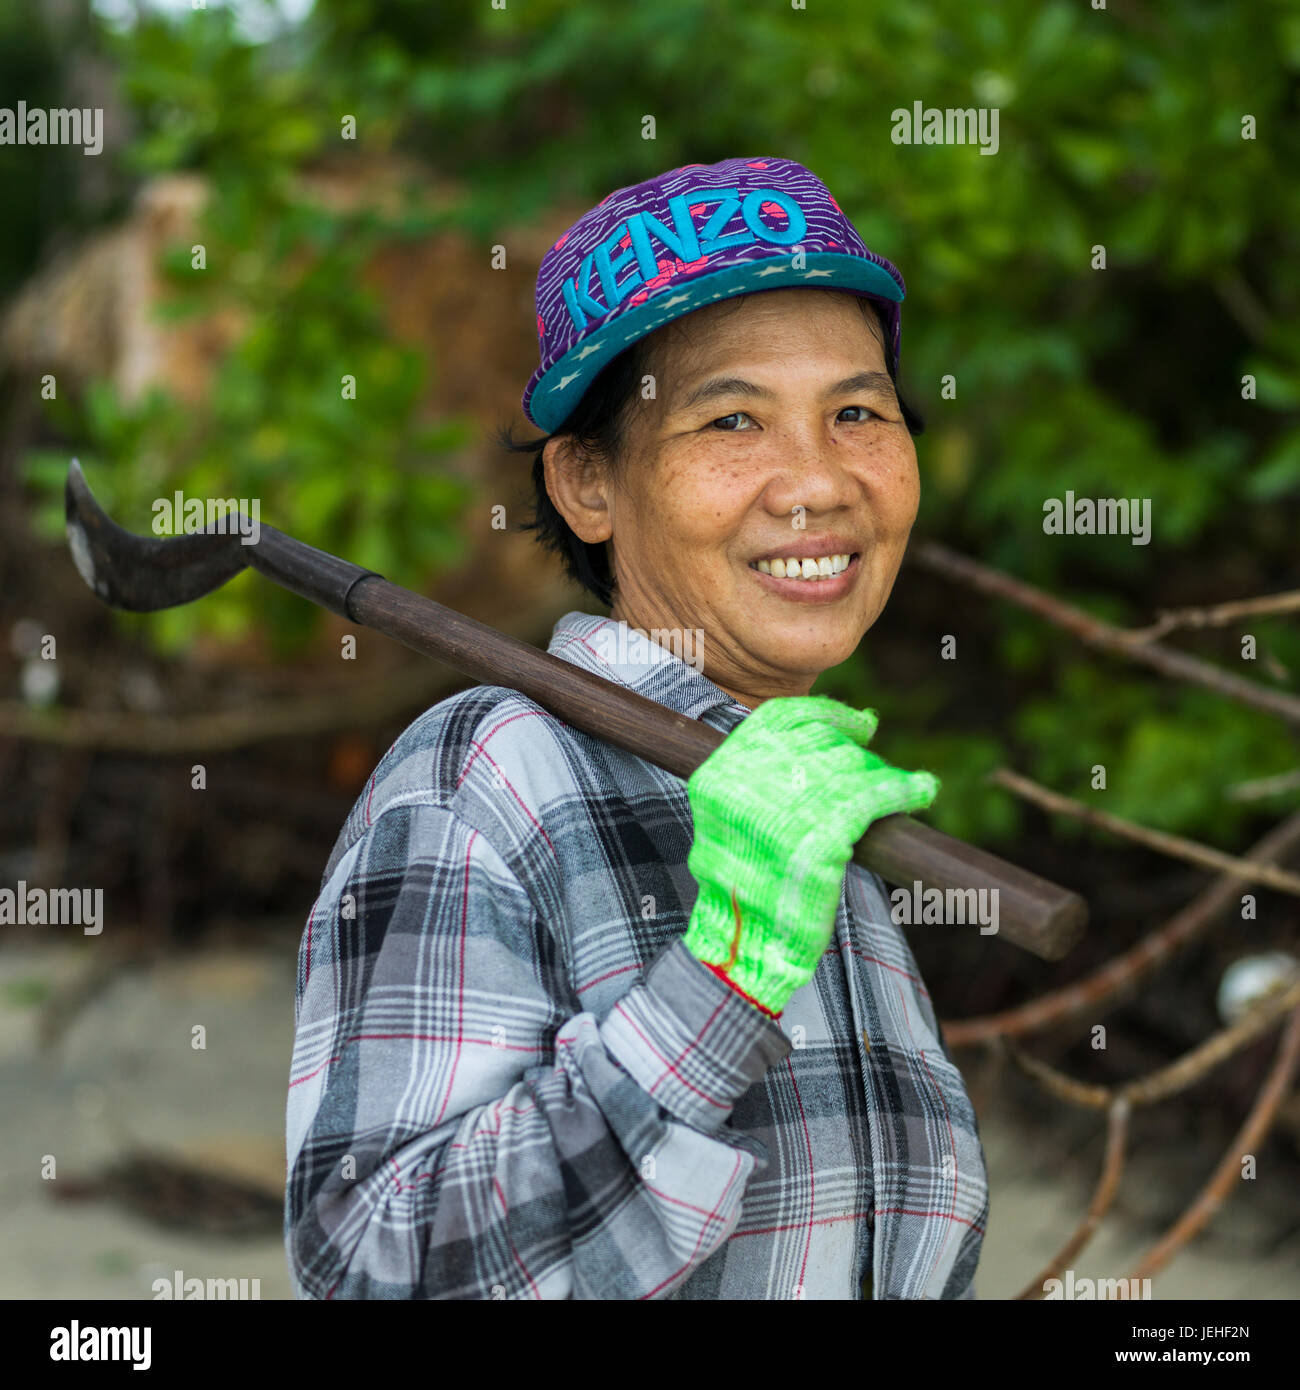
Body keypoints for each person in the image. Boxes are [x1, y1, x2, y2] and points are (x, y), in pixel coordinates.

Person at [285, 155, 989, 1300]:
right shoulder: (487, 776)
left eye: (856, 411)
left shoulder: (810, 799)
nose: (816, 482)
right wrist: (720, 981)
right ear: (585, 484)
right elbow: (373, 1266)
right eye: (731, 419)